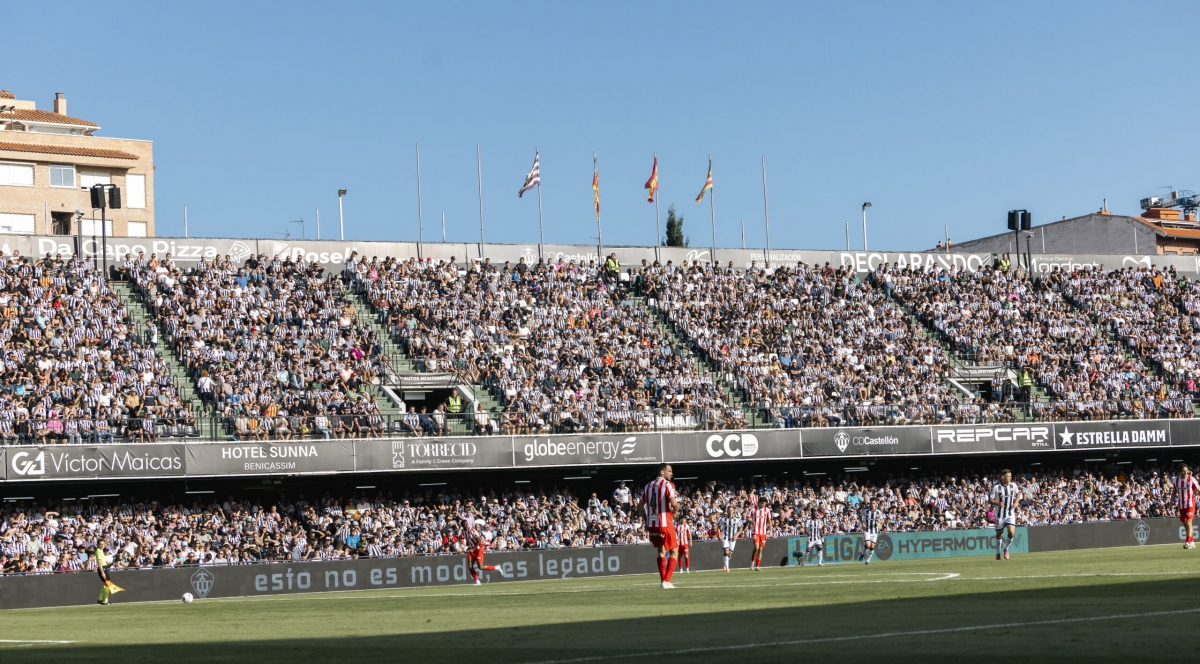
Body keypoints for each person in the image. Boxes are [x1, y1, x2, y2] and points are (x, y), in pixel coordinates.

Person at [640, 463, 680, 589]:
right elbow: (674, 504)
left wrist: (647, 520)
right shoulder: (667, 485)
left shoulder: (648, 486)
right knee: (675, 551)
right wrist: (677, 508)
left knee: (661, 551)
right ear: (662, 472)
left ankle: (664, 581)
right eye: (669, 471)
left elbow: (640, 505)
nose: (671, 473)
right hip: (665, 523)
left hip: (652, 524)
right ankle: (666, 580)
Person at [989, 469, 1020, 560]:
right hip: (1000, 515)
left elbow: (1018, 494)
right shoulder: (996, 487)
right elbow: (990, 500)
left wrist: (1016, 502)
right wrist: (998, 504)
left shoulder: (1013, 485)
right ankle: (998, 552)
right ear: (1003, 477)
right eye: (1008, 476)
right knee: (999, 534)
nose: (1010, 477)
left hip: (1010, 513)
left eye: (1010, 476)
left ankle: (1006, 548)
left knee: (1011, 532)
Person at [1173, 464, 1200, 550]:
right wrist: (1170, 502)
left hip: (1190, 504)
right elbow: (1174, 492)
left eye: (1186, 471)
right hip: (1181, 505)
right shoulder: (1175, 480)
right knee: (1185, 524)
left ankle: (1187, 542)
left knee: (1189, 523)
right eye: (1183, 471)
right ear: (1179, 472)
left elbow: (1199, 490)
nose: (1185, 472)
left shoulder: (1191, 479)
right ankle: (1192, 541)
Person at [464, 521, 499, 585]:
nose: (467, 525)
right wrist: (466, 547)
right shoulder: (464, 532)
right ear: (463, 525)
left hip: (478, 548)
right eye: (465, 524)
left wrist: (473, 548)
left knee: (480, 567)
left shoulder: (472, 530)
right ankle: (477, 581)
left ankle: (496, 568)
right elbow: (468, 542)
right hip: (472, 549)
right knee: (470, 566)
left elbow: (479, 540)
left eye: (467, 524)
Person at [93, 539, 123, 605]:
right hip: (102, 568)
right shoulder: (98, 551)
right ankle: (102, 600)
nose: (102, 545)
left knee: (107, 584)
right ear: (98, 544)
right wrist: (102, 572)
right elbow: (99, 563)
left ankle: (103, 600)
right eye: (101, 544)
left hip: (104, 567)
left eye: (103, 544)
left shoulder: (100, 550)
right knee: (107, 583)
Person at [858, 499, 885, 565]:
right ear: (870, 503)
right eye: (871, 503)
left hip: (874, 531)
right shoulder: (866, 510)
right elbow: (860, 516)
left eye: (874, 503)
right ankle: (862, 553)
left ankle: (867, 560)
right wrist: (862, 524)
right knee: (868, 544)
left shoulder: (879, 512)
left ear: (876, 504)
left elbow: (883, 521)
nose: (872, 505)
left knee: (872, 546)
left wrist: (880, 522)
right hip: (867, 530)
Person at [716, 506, 743, 573]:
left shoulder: (737, 519)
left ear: (733, 511)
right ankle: (727, 569)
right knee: (726, 551)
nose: (730, 512)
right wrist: (719, 534)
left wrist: (736, 535)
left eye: (731, 510)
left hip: (733, 538)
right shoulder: (723, 519)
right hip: (725, 538)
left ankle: (725, 563)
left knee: (730, 554)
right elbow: (719, 527)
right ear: (727, 511)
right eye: (729, 510)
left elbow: (740, 528)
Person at [750, 500, 771, 571]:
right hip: (755, 531)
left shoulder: (767, 510)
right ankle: (752, 562)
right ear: (758, 502)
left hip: (763, 532)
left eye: (764, 503)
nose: (763, 505)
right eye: (762, 503)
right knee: (756, 547)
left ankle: (757, 566)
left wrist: (771, 530)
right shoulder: (753, 509)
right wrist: (751, 521)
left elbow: (769, 520)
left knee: (760, 549)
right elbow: (748, 518)